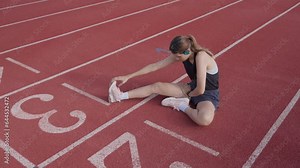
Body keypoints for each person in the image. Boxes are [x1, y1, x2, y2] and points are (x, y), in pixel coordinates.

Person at [108, 35, 219, 126]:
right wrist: (128, 76)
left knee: (204, 119)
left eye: (177, 57)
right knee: (156, 86)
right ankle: (119, 96)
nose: (175, 59)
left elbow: (200, 89)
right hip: (190, 88)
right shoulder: (183, 54)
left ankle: (182, 105)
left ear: (187, 52)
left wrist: (187, 96)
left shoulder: (201, 57)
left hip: (207, 93)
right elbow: (155, 66)